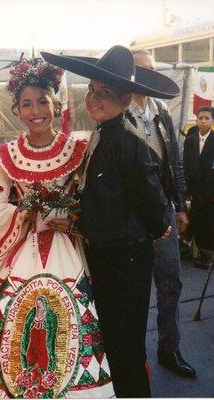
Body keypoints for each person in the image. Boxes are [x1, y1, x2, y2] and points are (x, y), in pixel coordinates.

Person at [0, 58, 114, 399]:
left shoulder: (79, 149)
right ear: (17, 110)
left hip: (71, 248)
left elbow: (95, 200)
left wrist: (70, 217)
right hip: (21, 249)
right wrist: (26, 214)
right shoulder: (7, 154)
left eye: (43, 101)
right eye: (26, 104)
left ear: (57, 104)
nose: (35, 110)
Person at [42, 45, 179, 397]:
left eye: (104, 93)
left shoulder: (128, 143)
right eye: (91, 90)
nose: (93, 98)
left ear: (125, 98)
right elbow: (104, 200)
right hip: (107, 256)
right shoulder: (102, 136)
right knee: (114, 342)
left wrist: (152, 232)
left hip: (125, 259)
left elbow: (153, 205)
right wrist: (76, 218)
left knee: (126, 346)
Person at [123, 49, 196, 379]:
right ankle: (133, 357)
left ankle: (170, 347)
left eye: (152, 70)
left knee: (171, 282)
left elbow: (174, 164)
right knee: (134, 288)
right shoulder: (117, 112)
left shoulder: (162, 110)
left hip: (163, 211)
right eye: (141, 70)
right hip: (130, 218)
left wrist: (180, 207)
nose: (147, 75)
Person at [183, 106, 214, 267]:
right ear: (196, 120)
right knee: (198, 223)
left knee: (210, 223)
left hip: (211, 193)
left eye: (206, 118)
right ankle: (202, 254)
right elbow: (186, 167)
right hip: (194, 192)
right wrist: (187, 191)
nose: (203, 121)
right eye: (200, 118)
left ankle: (209, 257)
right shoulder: (189, 141)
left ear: (212, 121)